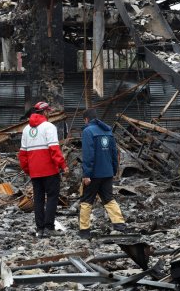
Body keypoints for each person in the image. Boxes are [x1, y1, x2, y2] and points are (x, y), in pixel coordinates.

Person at [18, 101, 68, 238]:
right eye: (48, 112)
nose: (49, 114)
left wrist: (29, 170)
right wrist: (63, 165)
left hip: (35, 172)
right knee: (52, 197)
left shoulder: (26, 129)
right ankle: (49, 227)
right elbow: (54, 149)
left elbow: (22, 155)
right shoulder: (49, 127)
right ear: (45, 112)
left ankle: (40, 229)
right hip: (50, 171)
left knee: (39, 199)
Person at [79, 108, 127, 239]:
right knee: (109, 199)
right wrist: (113, 170)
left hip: (94, 174)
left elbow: (88, 154)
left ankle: (84, 230)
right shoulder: (108, 131)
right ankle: (120, 225)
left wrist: (86, 174)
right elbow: (113, 153)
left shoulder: (87, 131)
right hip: (107, 173)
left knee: (86, 201)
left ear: (86, 119)